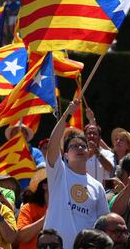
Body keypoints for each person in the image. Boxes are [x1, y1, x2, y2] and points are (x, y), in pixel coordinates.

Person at [45, 99, 109, 249]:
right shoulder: (58, 173)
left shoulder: (97, 187)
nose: (80, 148)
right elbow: (52, 145)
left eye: (83, 146)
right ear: (65, 154)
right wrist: (67, 114)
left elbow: (103, 223)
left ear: (89, 153)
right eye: (74, 146)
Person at [17, 168, 48, 249]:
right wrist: (46, 218)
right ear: (45, 185)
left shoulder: (64, 209)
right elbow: (22, 236)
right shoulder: (28, 208)